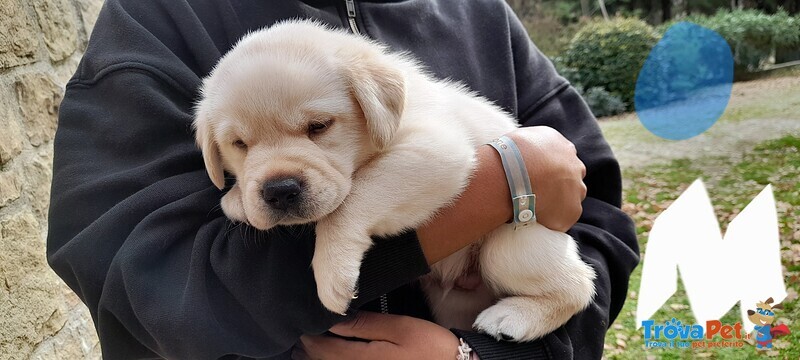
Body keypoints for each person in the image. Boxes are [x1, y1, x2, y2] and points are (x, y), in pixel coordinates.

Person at [47, 0, 639, 359]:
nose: (273, 177)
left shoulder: (481, 16)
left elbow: (601, 222)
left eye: (317, 127)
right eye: (241, 147)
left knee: (521, 260)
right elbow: (138, 280)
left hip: (499, 279)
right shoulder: (160, 22)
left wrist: (482, 356)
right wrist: (512, 175)